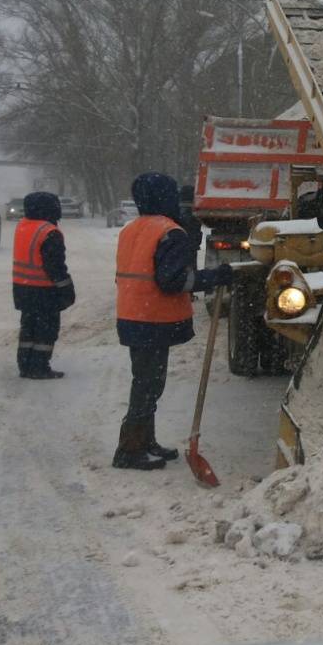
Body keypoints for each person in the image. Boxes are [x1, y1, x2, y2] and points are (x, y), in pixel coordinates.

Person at [113, 172, 232, 471]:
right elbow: (175, 281)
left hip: (133, 316)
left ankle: (145, 441)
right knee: (148, 386)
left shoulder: (132, 229)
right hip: (153, 319)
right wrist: (215, 277)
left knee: (146, 382)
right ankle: (129, 449)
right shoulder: (170, 232)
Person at [12, 191, 75, 379]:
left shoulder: (23, 226)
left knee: (28, 327)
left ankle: (25, 364)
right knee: (46, 330)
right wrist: (66, 288)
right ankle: (39, 366)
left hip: (22, 288)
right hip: (43, 289)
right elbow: (55, 267)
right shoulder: (49, 232)